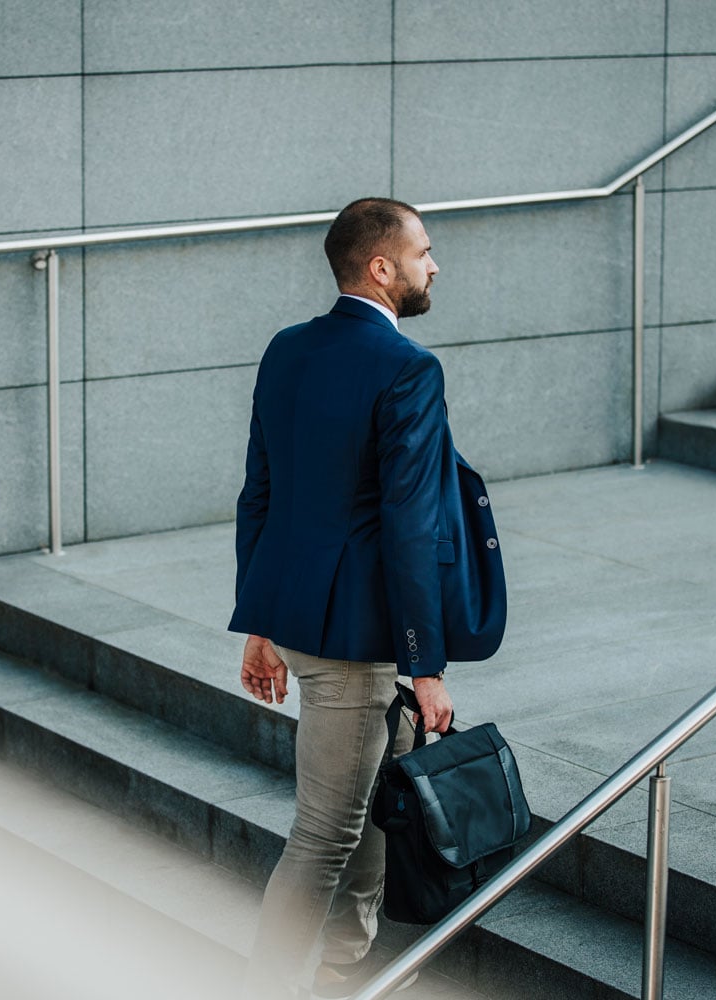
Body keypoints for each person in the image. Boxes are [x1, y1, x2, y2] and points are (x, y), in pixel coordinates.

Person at [229, 197, 506, 999]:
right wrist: (427, 667)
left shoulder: (287, 349)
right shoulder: (408, 368)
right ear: (381, 268)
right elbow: (411, 527)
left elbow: (261, 496)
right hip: (356, 643)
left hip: (302, 619)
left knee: (365, 823)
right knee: (324, 835)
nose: (435, 264)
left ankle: (344, 975)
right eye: (423, 251)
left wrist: (261, 623)